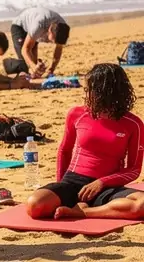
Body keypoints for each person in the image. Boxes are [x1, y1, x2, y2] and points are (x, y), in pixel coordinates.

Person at [26, 63, 144, 221]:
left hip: (107, 186)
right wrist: (61, 189)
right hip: (73, 181)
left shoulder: (133, 124)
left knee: (141, 205)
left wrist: (102, 182)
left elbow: (134, 169)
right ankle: (82, 205)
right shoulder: (77, 114)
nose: (85, 95)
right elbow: (65, 151)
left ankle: (83, 212)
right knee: (34, 205)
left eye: (89, 91)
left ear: (106, 92)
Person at [4, 7, 70, 77]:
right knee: (25, 64)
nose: (52, 43)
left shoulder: (63, 28)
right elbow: (25, 49)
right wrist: (33, 67)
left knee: (35, 66)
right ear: (49, 30)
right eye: (52, 41)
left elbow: (58, 51)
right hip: (20, 26)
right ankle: (8, 64)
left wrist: (51, 69)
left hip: (35, 30)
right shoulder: (38, 26)